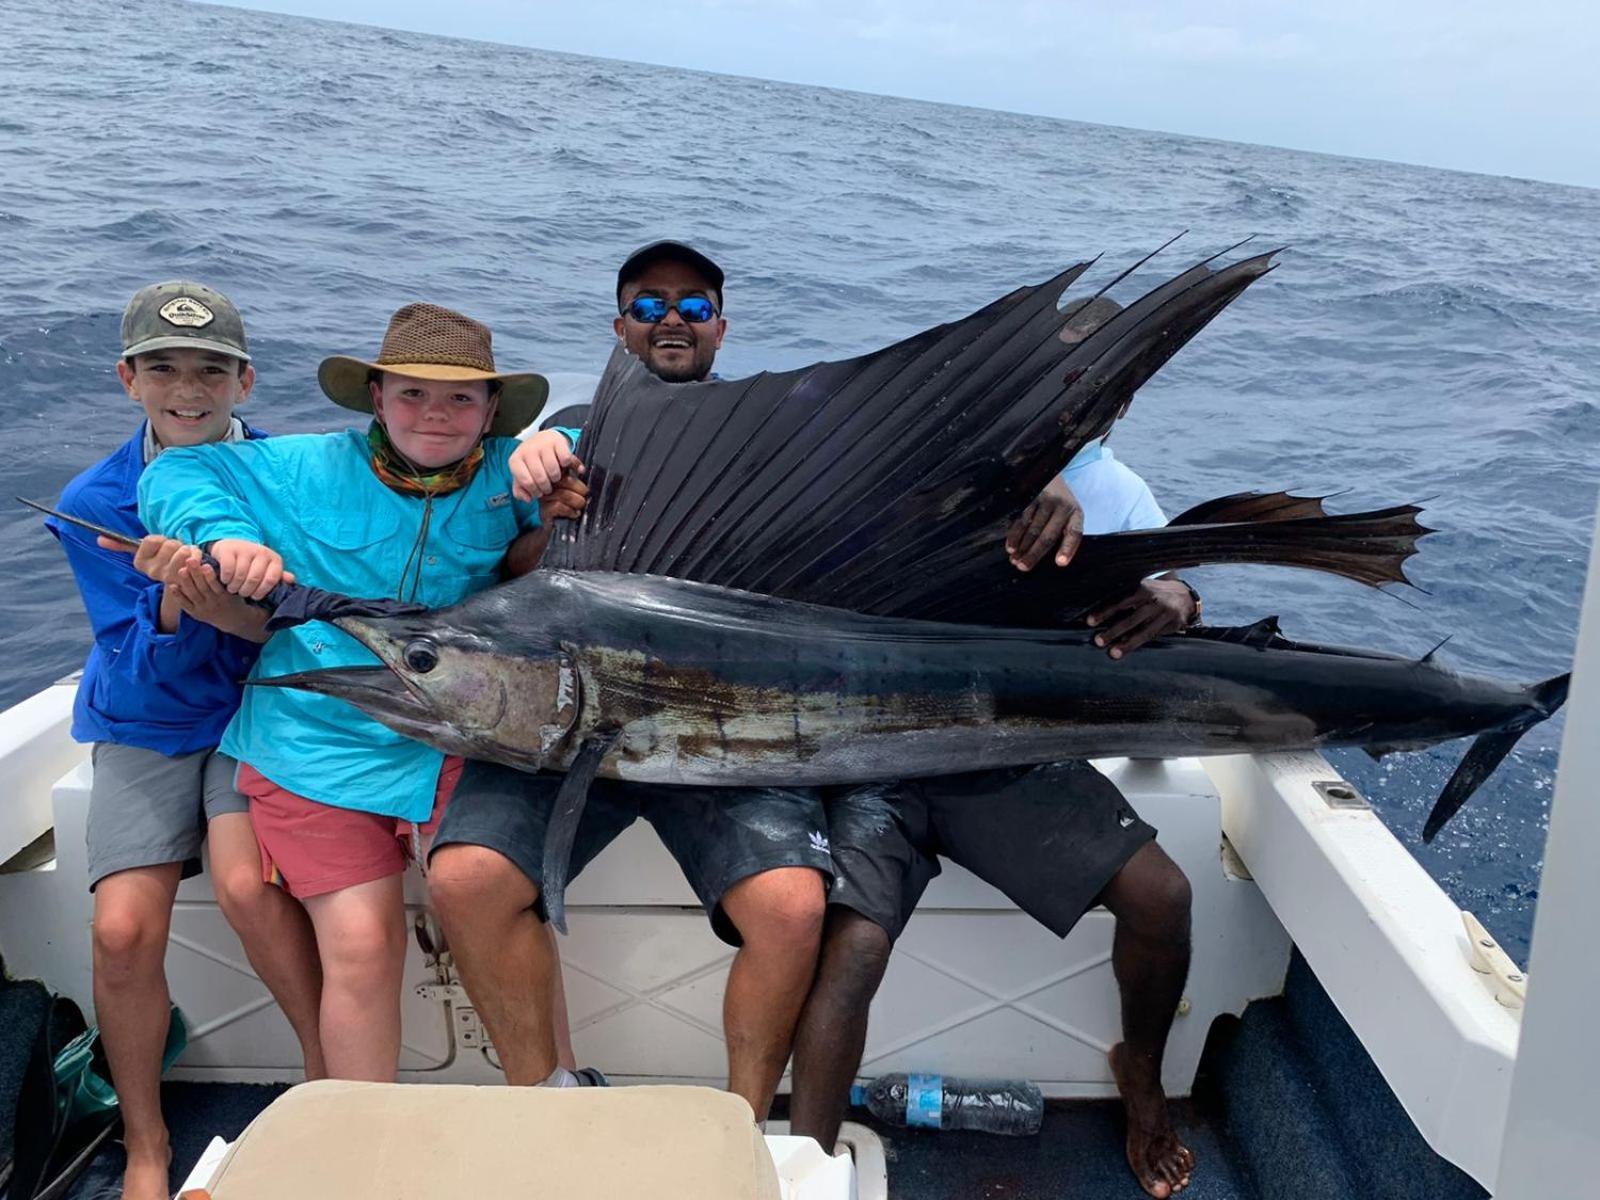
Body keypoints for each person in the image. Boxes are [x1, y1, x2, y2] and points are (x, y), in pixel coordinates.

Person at [427, 241, 830, 1119]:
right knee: (464, 881)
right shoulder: (575, 429)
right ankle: (548, 1104)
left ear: (722, 327)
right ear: (620, 328)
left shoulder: (771, 435)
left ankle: (741, 1123)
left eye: (693, 304)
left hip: (725, 720)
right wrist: (549, 515)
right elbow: (512, 576)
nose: (672, 318)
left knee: (793, 907)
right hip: (564, 721)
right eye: (649, 305)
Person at [135, 303, 577, 1086]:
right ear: (375, 397)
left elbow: (585, 453)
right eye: (411, 394)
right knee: (362, 946)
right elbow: (178, 470)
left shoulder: (509, 473)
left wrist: (558, 444)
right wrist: (223, 537)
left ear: (490, 411)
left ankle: (559, 1104)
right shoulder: (303, 467)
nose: (434, 414)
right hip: (314, 740)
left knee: (502, 907)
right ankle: (359, 1145)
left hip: (458, 735)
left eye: (460, 399)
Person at [47, 281, 325, 1200]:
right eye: (162, 367)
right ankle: (148, 1142)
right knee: (122, 932)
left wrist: (239, 614)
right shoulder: (97, 499)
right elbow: (132, 665)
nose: (188, 386)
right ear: (128, 379)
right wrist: (173, 602)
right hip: (150, 717)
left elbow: (308, 623)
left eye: (212, 368)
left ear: (245, 381)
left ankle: (331, 1088)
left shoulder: (290, 470)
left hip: (261, 706)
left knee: (251, 889)